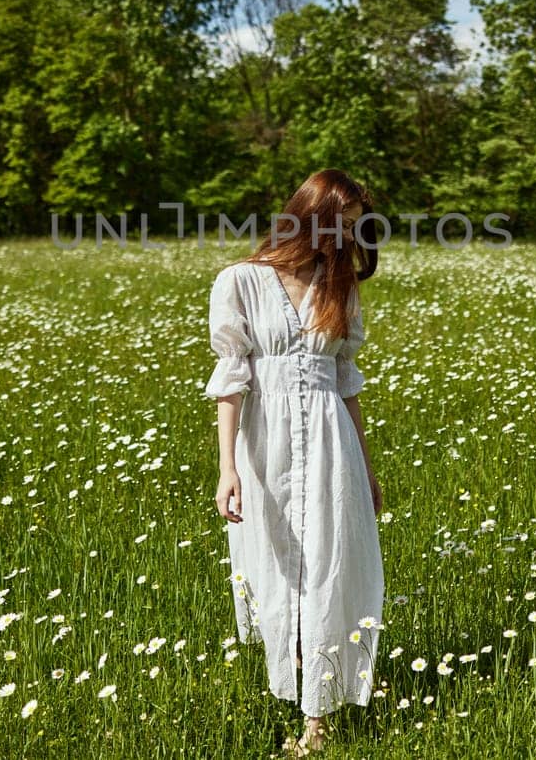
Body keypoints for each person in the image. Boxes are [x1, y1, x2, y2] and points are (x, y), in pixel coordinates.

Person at [206, 169, 385, 756]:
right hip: (266, 444)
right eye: (340, 227)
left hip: (332, 443)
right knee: (281, 566)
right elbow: (232, 381)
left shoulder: (340, 288)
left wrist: (367, 465)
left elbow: (346, 383)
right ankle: (293, 678)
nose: (346, 243)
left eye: (355, 231)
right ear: (310, 218)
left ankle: (318, 718)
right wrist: (227, 467)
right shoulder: (240, 282)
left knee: (330, 566)